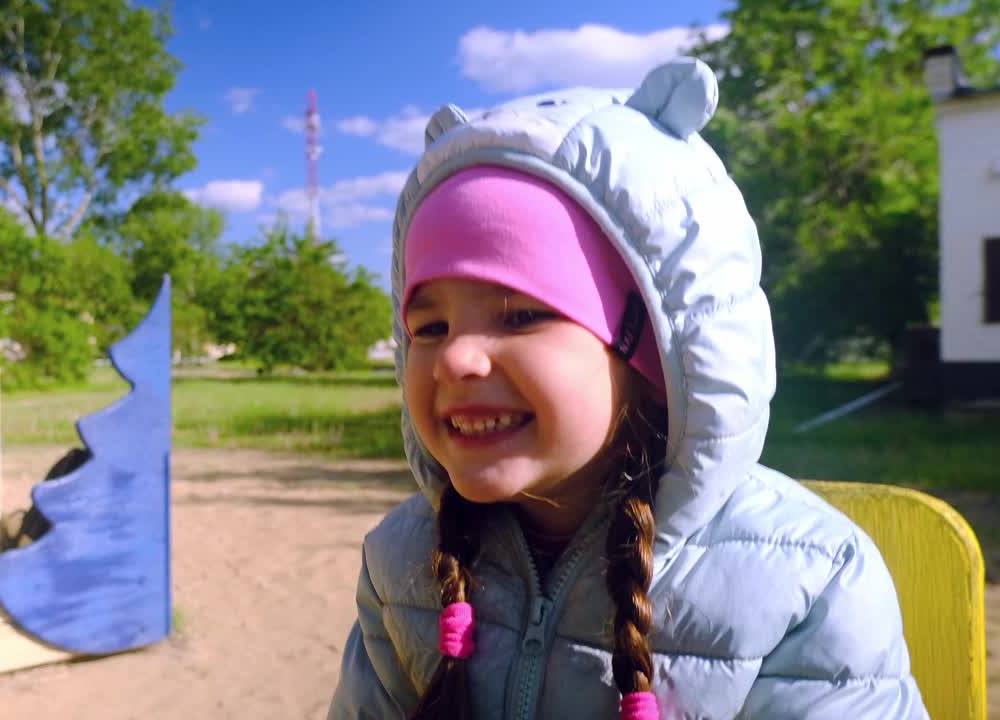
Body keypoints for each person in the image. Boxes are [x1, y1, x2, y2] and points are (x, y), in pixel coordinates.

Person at [327, 58, 926, 719]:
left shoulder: (803, 583)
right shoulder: (404, 560)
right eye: (429, 326)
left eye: (522, 314)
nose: (455, 359)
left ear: (657, 351)